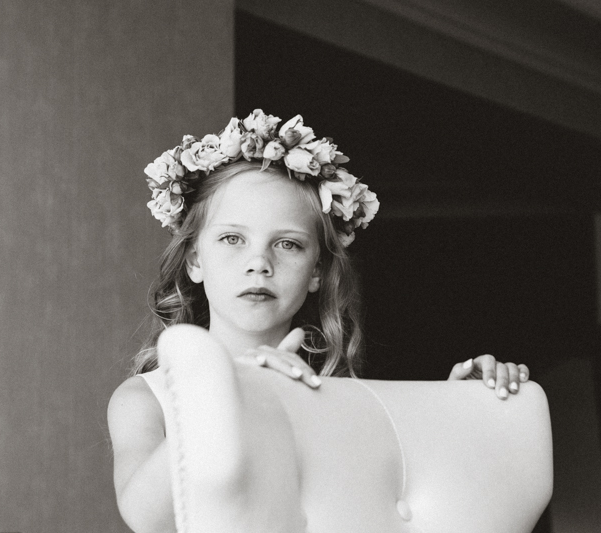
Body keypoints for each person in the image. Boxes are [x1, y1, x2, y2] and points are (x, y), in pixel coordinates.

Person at [107, 110, 531, 533]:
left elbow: (407, 499)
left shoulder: (343, 401)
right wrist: (230, 389)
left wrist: (467, 412)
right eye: (232, 239)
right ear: (195, 259)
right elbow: (148, 518)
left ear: (315, 272)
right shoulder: (147, 399)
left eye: (288, 244)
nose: (259, 263)